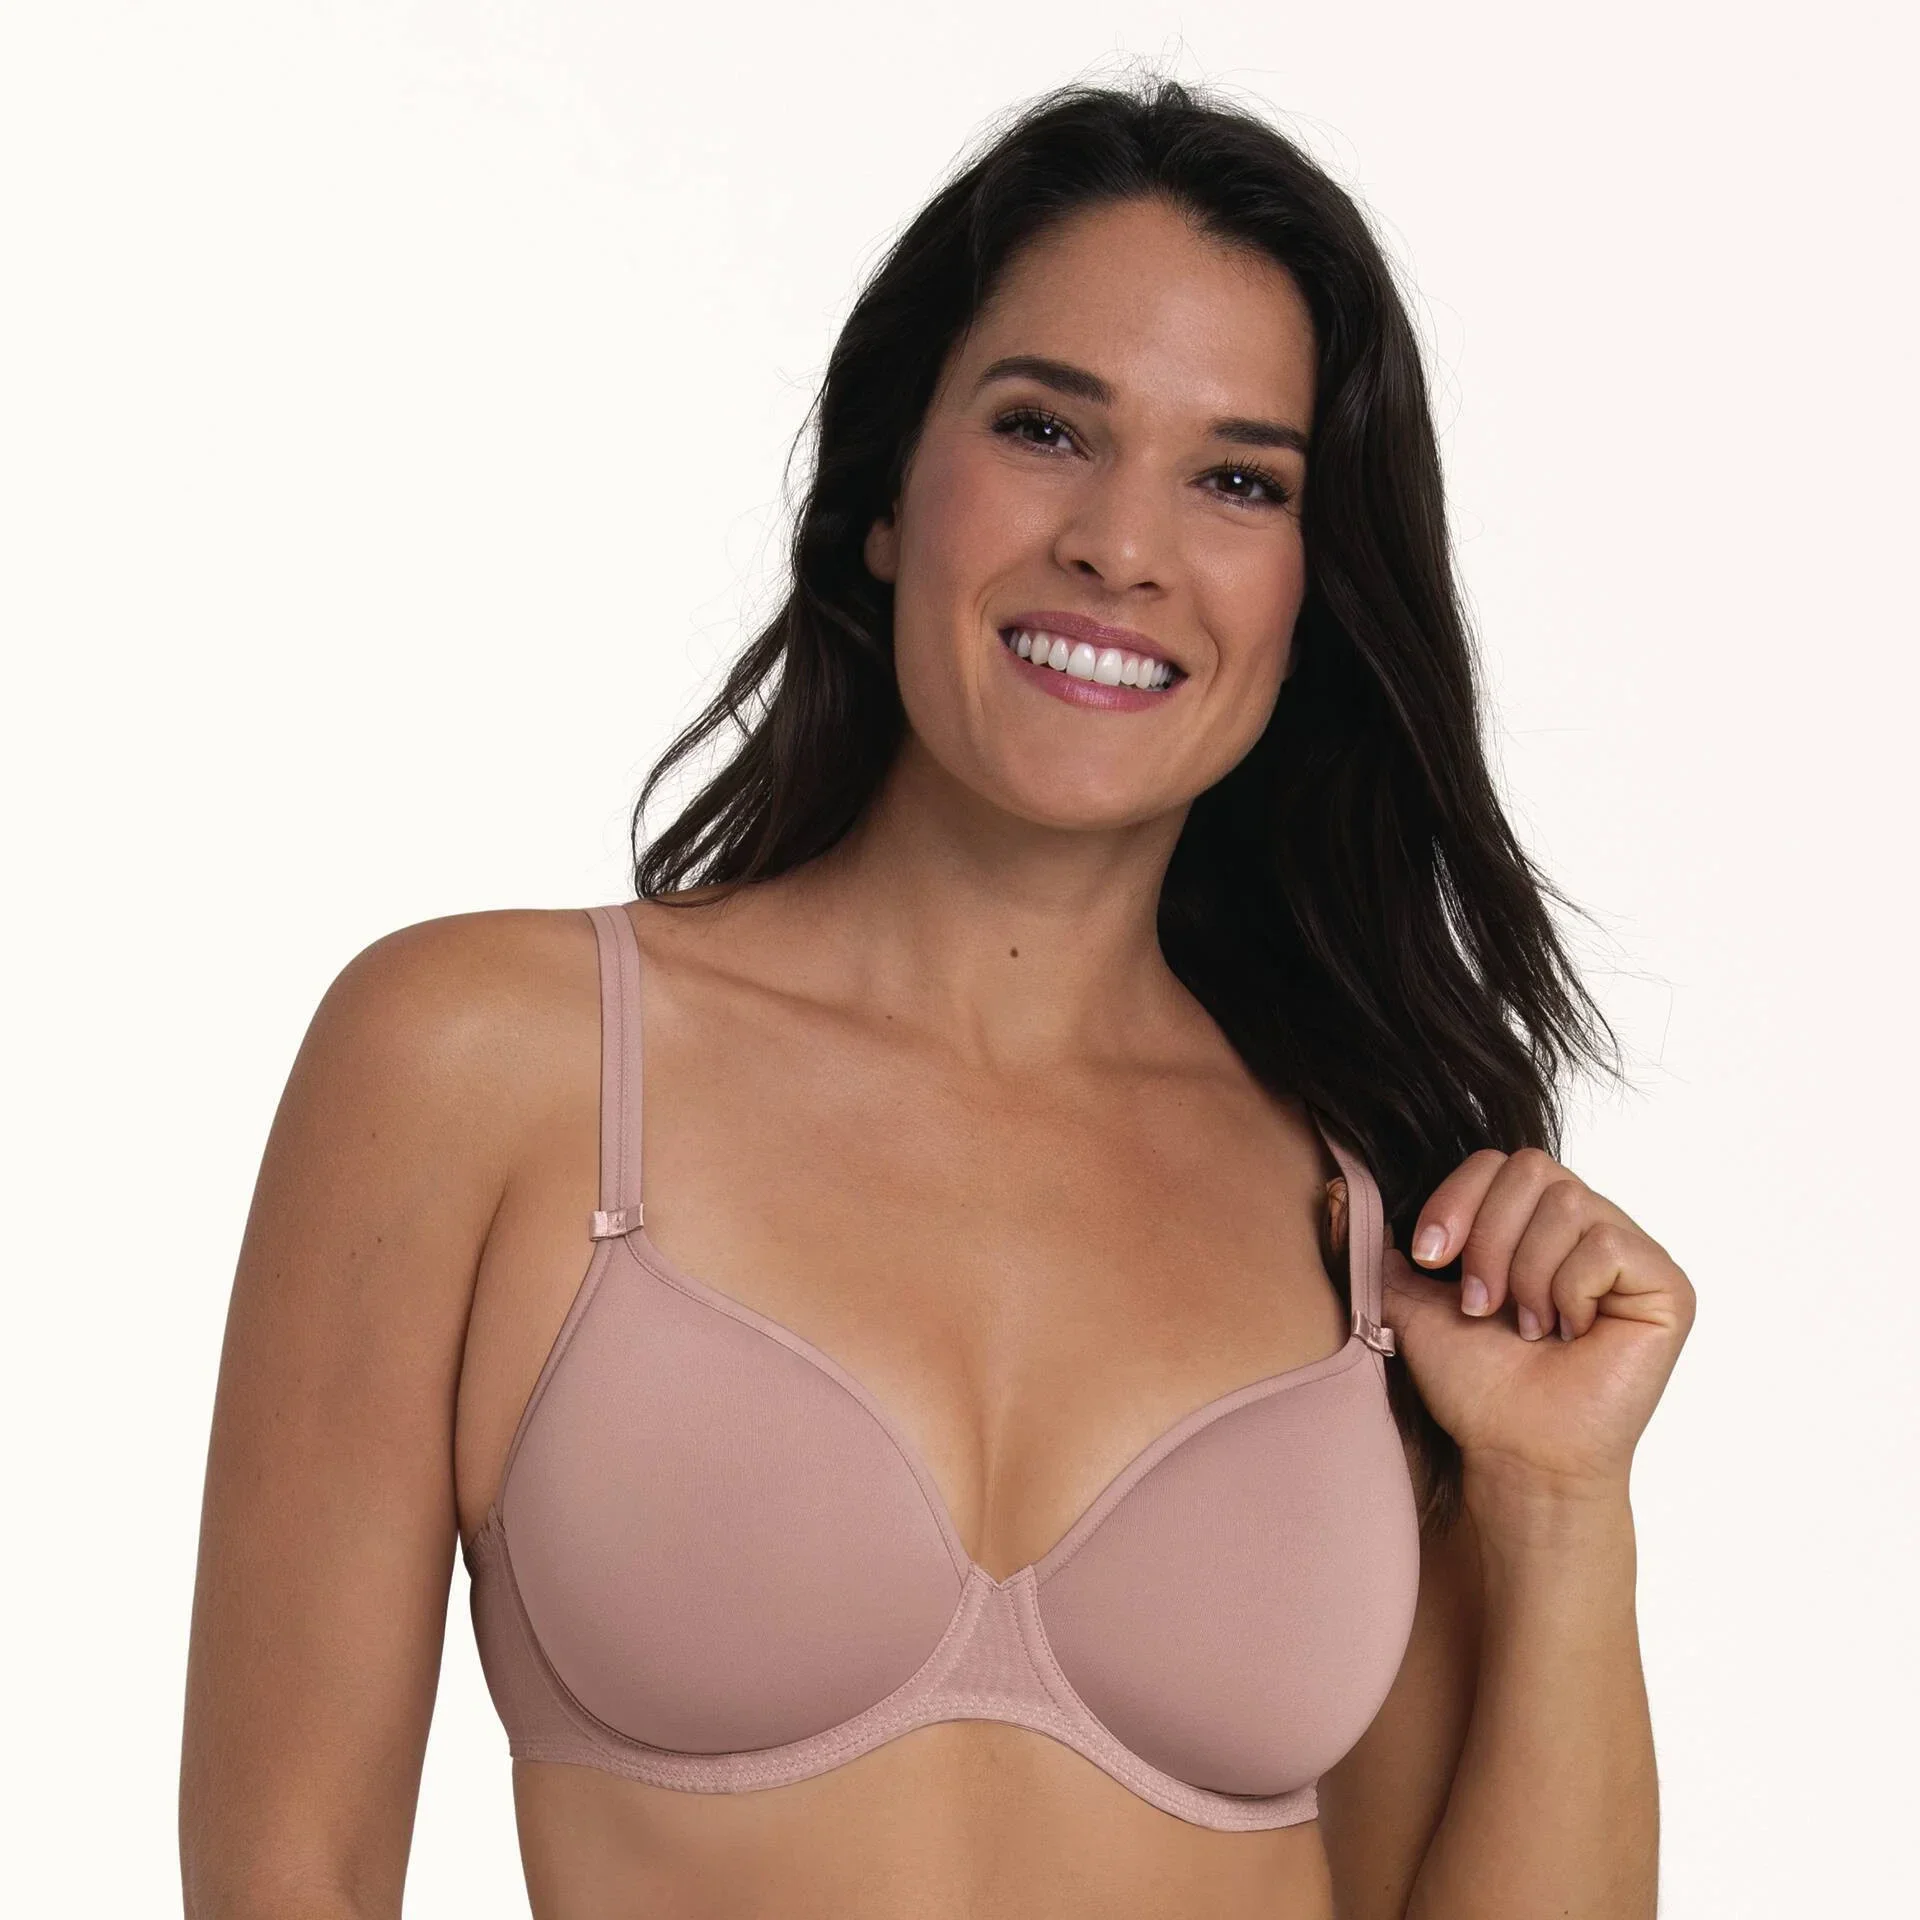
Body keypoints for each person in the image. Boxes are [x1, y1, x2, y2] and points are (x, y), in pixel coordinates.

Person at [179, 77, 1694, 1920]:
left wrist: (1556, 1500)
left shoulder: (1376, 1187)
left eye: (1238, 479)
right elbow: (290, 1871)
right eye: (1048, 428)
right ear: (890, 492)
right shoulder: (486, 1061)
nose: (1121, 544)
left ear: (1313, 594)